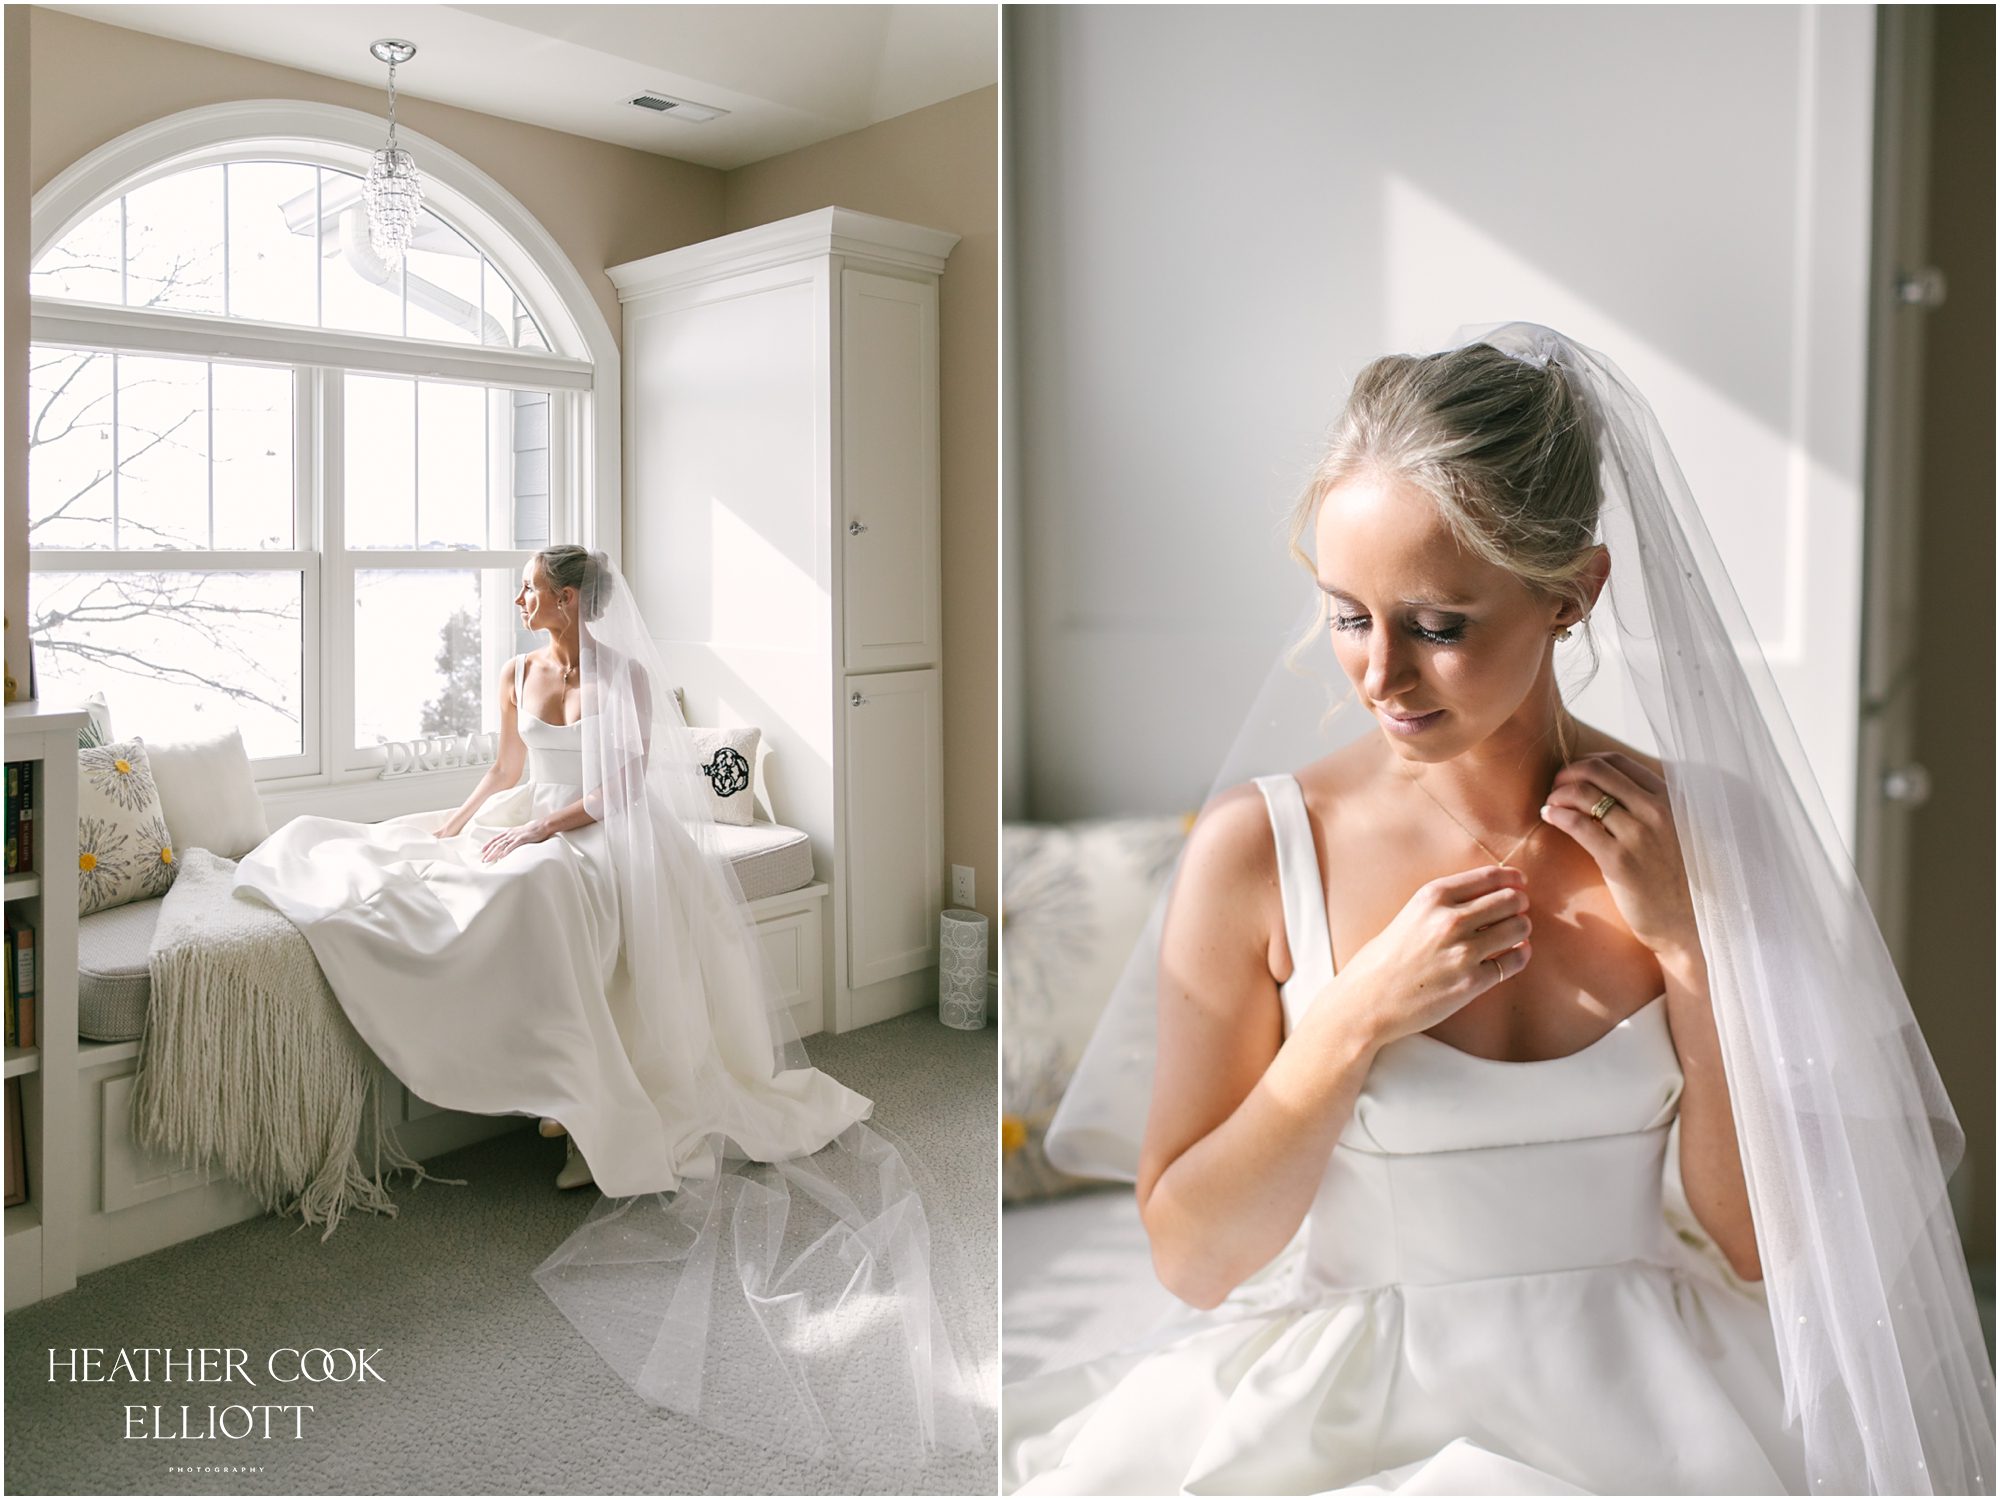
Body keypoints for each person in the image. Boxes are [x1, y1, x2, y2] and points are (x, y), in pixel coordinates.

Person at [1004, 326, 1992, 1495]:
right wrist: (1350, 1020)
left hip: (1656, 1402)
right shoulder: (1255, 856)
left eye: (1435, 626)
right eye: (1344, 614)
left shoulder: (1701, 835)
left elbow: (1749, 1246)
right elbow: (1193, 1261)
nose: (1378, 675)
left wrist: (1686, 948)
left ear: (1570, 594)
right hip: (1349, 1407)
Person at [236, 545, 987, 1483]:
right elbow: (507, 763)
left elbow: (627, 786)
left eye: (528, 587)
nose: (514, 598)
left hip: (600, 832)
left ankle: (573, 1098)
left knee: (541, 888)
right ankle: (542, 1074)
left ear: (566, 598)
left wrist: (544, 830)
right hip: (532, 811)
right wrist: (462, 820)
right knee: (451, 877)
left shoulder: (621, 676)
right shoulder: (516, 670)